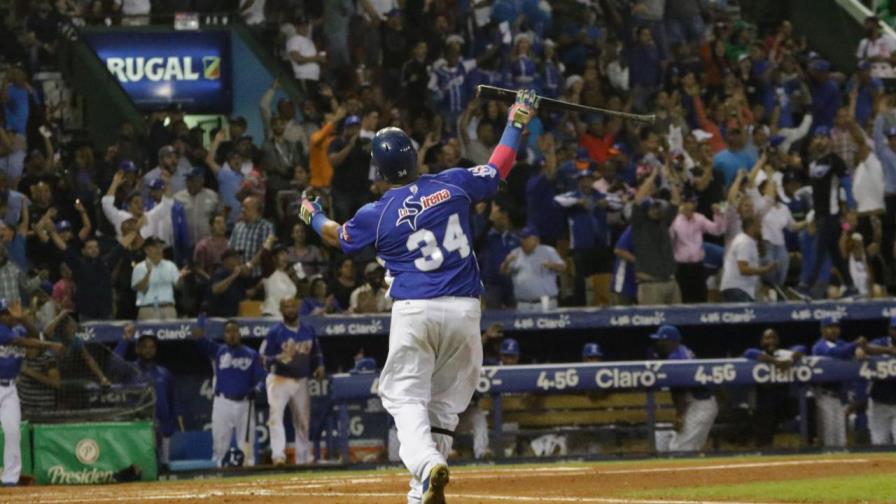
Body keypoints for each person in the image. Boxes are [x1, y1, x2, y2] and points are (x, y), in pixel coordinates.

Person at [299, 89, 538, 503]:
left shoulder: (376, 214)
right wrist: (517, 120)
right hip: (465, 311)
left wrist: (310, 213)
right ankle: (422, 490)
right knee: (444, 406)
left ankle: (426, 465)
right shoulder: (454, 183)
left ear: (379, 170)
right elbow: (500, 165)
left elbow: (336, 236)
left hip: (415, 309)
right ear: (414, 157)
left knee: (402, 395)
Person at [0, 299, 62, 485]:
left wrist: (24, 319)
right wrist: (51, 346)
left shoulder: (18, 328)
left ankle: (10, 478)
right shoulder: (2, 331)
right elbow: (20, 341)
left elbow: (36, 336)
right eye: (5, 313)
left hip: (10, 388)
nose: (8, 316)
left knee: (12, 432)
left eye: (9, 313)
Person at [260, 297, 325, 465]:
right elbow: (262, 357)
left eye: (292, 306)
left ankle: (303, 458)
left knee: (303, 422)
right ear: (281, 310)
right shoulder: (275, 332)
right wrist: (278, 358)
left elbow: (316, 352)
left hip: (301, 380)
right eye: (286, 306)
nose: (290, 309)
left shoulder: (308, 329)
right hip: (279, 379)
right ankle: (278, 456)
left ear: (298, 308)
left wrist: (319, 366)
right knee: (276, 418)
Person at [193, 319, 265, 467]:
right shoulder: (218, 350)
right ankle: (218, 474)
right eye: (228, 331)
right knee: (220, 445)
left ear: (240, 333)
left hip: (245, 403)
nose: (232, 334)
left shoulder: (251, 354)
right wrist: (201, 318)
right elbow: (198, 337)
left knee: (247, 447)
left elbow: (263, 378)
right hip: (222, 403)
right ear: (224, 335)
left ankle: (248, 478)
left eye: (235, 331)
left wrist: (257, 389)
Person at [114, 325, 176, 466]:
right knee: (140, 466)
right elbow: (114, 365)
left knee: (163, 468)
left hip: (161, 427)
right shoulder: (130, 369)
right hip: (138, 426)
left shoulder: (164, 373)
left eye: (151, 346)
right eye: (144, 346)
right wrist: (125, 340)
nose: (148, 350)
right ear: (137, 349)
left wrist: (169, 424)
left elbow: (172, 401)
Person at [650, 324, 718, 452]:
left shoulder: (676, 357)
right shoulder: (682, 351)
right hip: (696, 404)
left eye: (661, 340)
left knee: (680, 449)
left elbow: (679, 391)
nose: (658, 343)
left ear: (670, 341)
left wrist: (679, 416)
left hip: (700, 405)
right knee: (673, 447)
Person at [554, 170, 611, 306]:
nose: (585, 183)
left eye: (588, 180)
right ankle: (580, 310)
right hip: (580, 246)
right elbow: (557, 200)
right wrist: (578, 202)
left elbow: (618, 202)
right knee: (579, 282)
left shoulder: (601, 196)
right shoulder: (572, 196)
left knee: (602, 279)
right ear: (578, 182)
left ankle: (603, 307)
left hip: (601, 245)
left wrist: (605, 203)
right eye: (582, 181)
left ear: (592, 182)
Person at [810, 317, 866, 448]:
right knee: (829, 438)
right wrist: (856, 344)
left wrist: (858, 348)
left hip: (840, 397)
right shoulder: (819, 346)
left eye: (836, 327)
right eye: (830, 327)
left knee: (841, 440)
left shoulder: (840, 343)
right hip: (823, 396)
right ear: (822, 330)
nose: (834, 330)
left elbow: (848, 349)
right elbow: (837, 353)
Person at [743, 329, 804, 447]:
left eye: (773, 338)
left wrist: (790, 361)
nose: (770, 341)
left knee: (808, 406)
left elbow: (801, 348)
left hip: (783, 403)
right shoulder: (757, 355)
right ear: (761, 342)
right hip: (764, 404)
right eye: (767, 338)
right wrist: (776, 363)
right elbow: (748, 352)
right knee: (763, 432)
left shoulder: (784, 354)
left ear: (778, 340)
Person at [669, 192, 725, 303]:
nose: (693, 205)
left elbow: (717, 231)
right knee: (684, 298)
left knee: (700, 298)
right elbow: (669, 242)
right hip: (681, 267)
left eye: (694, 202)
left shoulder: (700, 219)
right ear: (684, 204)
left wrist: (718, 215)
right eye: (690, 202)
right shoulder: (674, 221)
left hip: (698, 266)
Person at [500, 227, 565, 311]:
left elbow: (563, 267)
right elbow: (503, 272)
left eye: (526, 238)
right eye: (522, 238)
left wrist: (552, 265)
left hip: (545, 303)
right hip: (522, 304)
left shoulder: (548, 251)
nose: (523, 241)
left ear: (536, 240)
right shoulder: (515, 253)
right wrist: (506, 262)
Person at [720, 217, 775, 302]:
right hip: (737, 289)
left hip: (741, 289)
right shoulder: (744, 242)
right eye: (759, 226)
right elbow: (743, 269)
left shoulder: (749, 241)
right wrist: (766, 269)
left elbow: (761, 254)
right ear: (752, 227)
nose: (761, 229)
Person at [131, 238, 186, 320]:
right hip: (147, 309)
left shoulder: (170, 266)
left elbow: (178, 287)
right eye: (156, 247)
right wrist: (148, 273)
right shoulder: (139, 268)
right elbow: (140, 289)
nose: (159, 250)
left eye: (161, 247)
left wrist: (181, 278)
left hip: (168, 309)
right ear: (147, 250)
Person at [862, 317, 896, 445]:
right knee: (879, 442)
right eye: (895, 329)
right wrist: (888, 350)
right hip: (880, 402)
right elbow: (865, 348)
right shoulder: (881, 342)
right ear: (889, 330)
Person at [229, 196, 274, 279]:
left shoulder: (266, 226)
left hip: (257, 275)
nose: (242, 210)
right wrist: (237, 267)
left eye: (245, 207)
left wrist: (249, 266)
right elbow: (231, 249)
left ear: (256, 210)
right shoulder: (237, 226)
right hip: (237, 274)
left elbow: (265, 251)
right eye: (242, 207)